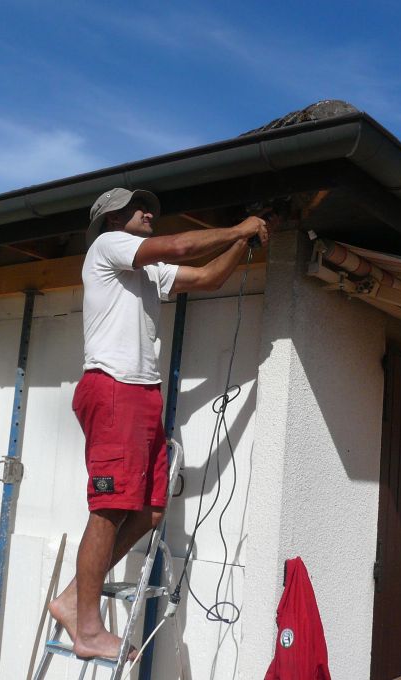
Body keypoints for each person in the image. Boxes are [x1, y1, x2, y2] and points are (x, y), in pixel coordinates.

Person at [47, 188, 270, 660]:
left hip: (143, 394)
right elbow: (183, 246)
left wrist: (242, 243)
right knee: (109, 507)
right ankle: (86, 630)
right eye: (136, 208)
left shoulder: (147, 272)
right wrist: (240, 226)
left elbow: (207, 276)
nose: (148, 213)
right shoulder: (107, 246)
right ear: (111, 218)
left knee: (149, 510)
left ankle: (71, 599)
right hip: (113, 388)